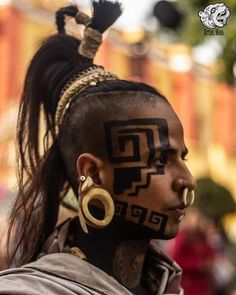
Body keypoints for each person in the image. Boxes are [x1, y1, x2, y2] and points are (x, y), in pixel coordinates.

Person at [0, 1, 196, 294]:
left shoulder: (167, 286)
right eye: (161, 158)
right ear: (92, 171)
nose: (187, 180)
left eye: (182, 158)